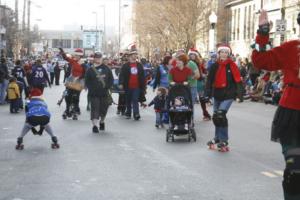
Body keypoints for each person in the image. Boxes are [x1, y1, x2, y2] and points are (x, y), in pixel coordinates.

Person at [251, 10, 300, 200]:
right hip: (292, 116)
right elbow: (260, 60)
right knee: (295, 169)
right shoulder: (292, 48)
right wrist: (263, 32)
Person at [206, 44, 243, 152]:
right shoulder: (214, 66)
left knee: (220, 115)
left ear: (229, 54)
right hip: (217, 94)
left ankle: (224, 140)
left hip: (228, 94)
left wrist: (239, 95)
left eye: (226, 52)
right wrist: (207, 94)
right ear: (219, 53)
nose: (224, 54)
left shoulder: (232, 66)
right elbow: (209, 80)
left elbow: (238, 80)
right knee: (216, 117)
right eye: (222, 52)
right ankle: (217, 138)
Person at [85, 52, 113, 133]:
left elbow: (111, 79)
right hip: (94, 94)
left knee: (104, 110)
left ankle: (102, 122)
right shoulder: (90, 69)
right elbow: (87, 81)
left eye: (99, 58)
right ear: (94, 59)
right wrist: (91, 89)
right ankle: (95, 125)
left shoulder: (107, 68)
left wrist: (108, 87)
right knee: (94, 109)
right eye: (96, 58)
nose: (98, 59)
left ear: (102, 58)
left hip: (104, 93)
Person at [119, 44, 145, 120]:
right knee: (128, 100)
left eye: (135, 54)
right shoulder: (125, 65)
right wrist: (120, 83)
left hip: (137, 86)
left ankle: (136, 114)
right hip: (127, 86)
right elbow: (121, 75)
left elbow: (143, 76)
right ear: (130, 56)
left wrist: (144, 86)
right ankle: (128, 113)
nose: (135, 56)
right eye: (133, 54)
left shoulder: (139, 65)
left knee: (135, 99)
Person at [59, 48, 85, 119]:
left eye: (77, 55)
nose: (75, 56)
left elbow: (85, 73)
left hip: (79, 81)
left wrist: (79, 77)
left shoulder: (83, 63)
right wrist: (62, 52)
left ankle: (74, 110)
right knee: (67, 96)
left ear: (80, 56)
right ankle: (67, 109)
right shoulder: (73, 61)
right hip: (71, 80)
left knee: (76, 97)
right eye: (75, 55)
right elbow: (66, 58)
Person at [188, 49, 211, 121]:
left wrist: (204, 74)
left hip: (199, 82)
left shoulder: (199, 63)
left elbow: (205, 71)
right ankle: (189, 116)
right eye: (191, 54)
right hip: (192, 82)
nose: (192, 56)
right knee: (191, 100)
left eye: (193, 54)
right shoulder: (188, 63)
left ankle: (206, 114)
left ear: (196, 55)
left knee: (202, 99)